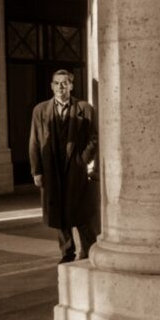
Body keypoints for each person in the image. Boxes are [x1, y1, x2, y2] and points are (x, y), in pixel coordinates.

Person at [29, 69, 100, 263]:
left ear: (71, 86)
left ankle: (89, 251)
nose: (61, 87)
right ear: (52, 86)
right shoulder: (40, 110)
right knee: (58, 212)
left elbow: (94, 138)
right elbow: (34, 141)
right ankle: (67, 253)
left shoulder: (85, 108)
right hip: (52, 168)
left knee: (82, 212)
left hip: (76, 169)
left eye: (65, 83)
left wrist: (82, 160)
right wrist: (37, 171)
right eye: (57, 83)